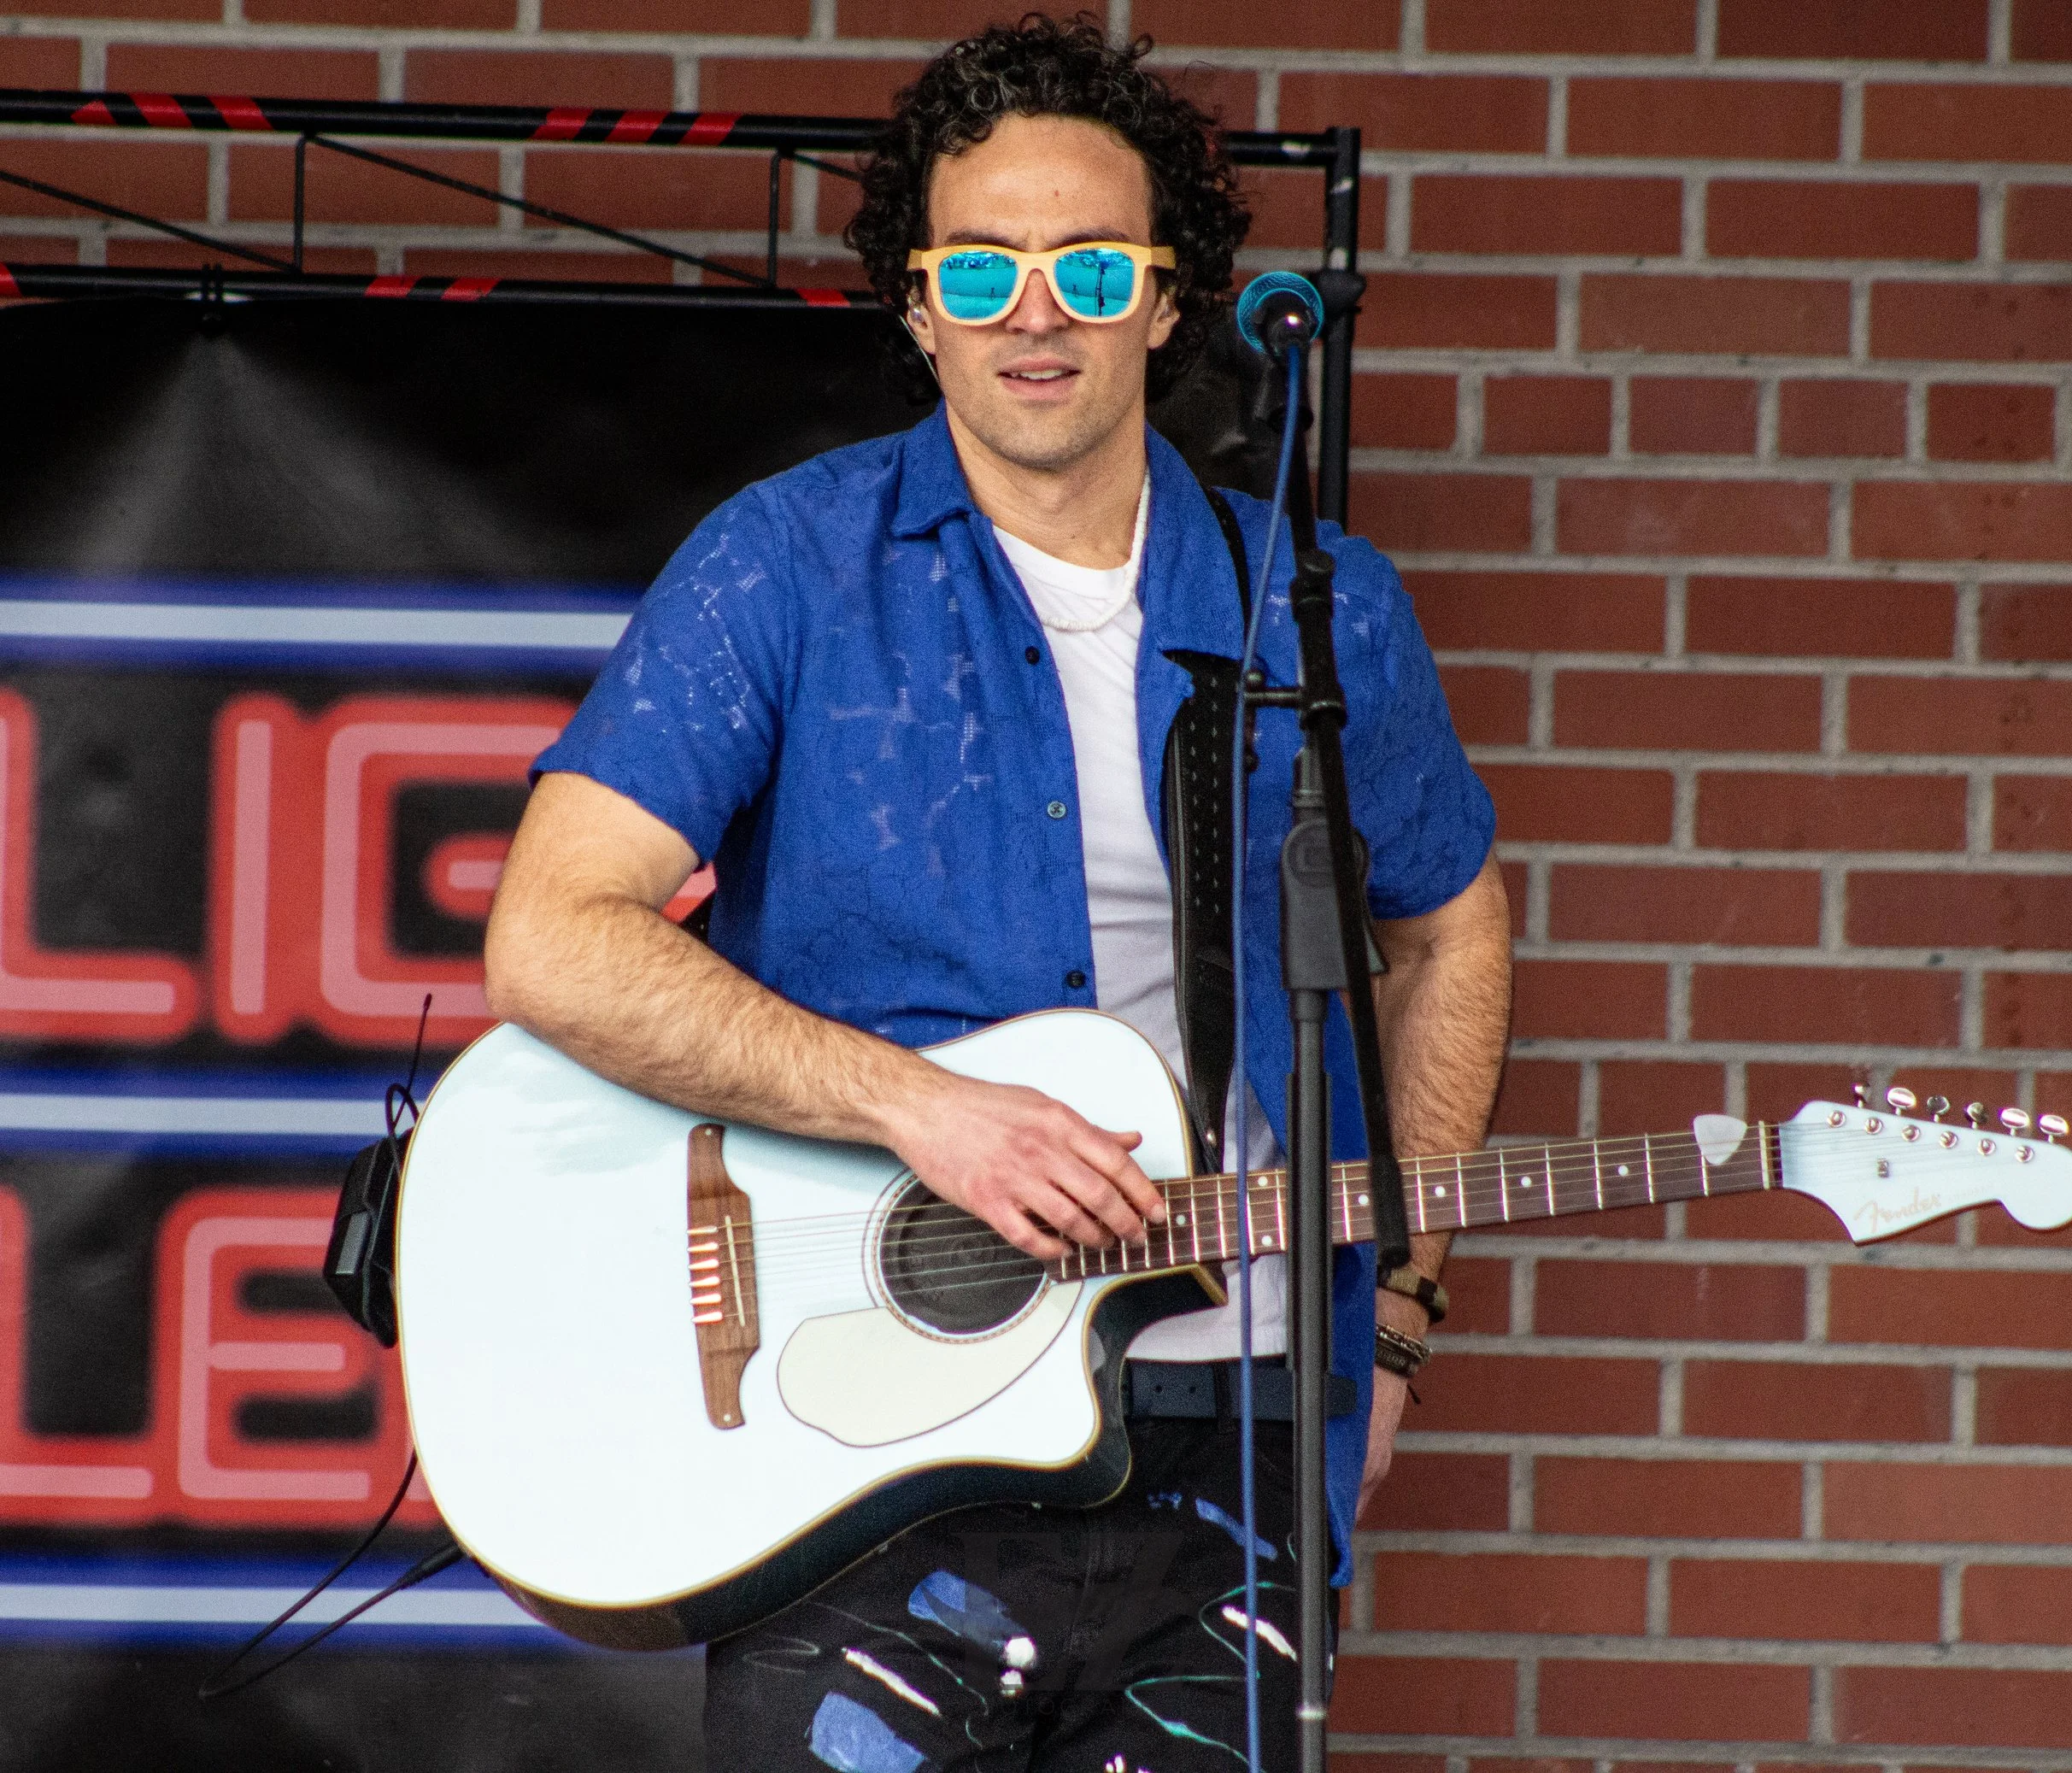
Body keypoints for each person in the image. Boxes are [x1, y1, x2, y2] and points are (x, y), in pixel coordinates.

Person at [484, 16, 1511, 1770]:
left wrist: (1393, 1317)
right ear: (916, 301)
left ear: (1167, 300)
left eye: (1089, 263)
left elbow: (1444, 925)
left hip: (1233, 1430)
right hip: (873, 1439)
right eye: (982, 264)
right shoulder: (783, 563)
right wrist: (919, 1107)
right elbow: (552, 936)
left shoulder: (1316, 608)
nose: (1035, 308)